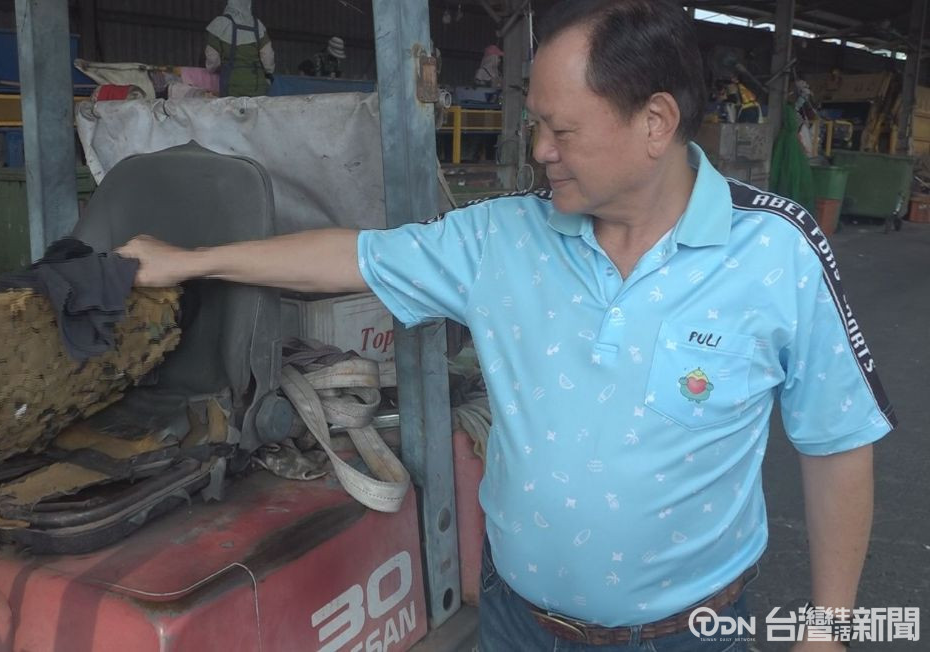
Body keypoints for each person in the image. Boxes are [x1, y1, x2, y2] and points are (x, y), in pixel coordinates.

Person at [120, 2, 891, 650]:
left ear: (656, 121)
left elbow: (838, 444)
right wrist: (190, 260)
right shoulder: (501, 238)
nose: (540, 150)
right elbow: (349, 257)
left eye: (563, 130)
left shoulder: (776, 253)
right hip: (518, 623)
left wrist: (828, 628)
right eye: (535, 125)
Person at [204, 0, 275, 97]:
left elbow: (213, 59)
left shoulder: (219, 24)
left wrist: (212, 69)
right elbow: (268, 56)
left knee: (230, 107)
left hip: (230, 85)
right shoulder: (258, 25)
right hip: (257, 85)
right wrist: (269, 73)